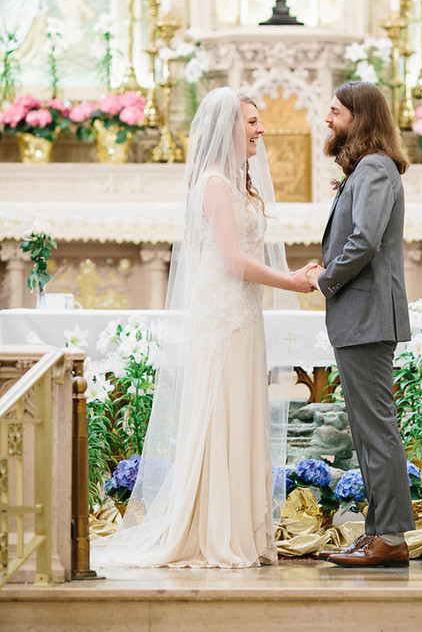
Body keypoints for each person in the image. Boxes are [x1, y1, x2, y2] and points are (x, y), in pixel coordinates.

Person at [95, 87, 315, 569]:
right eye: (251, 122)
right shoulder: (215, 183)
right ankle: (217, 531)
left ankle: (241, 529)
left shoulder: (236, 182)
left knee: (244, 412)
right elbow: (234, 261)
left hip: (243, 316)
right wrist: (291, 282)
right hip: (225, 317)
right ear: (227, 128)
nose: (260, 130)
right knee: (223, 414)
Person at [307, 81, 415, 568]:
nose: (328, 119)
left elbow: (365, 240)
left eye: (335, 111)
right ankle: (378, 531)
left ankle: (390, 536)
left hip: (367, 314)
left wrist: (326, 280)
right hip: (363, 315)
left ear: (360, 116)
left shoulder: (374, 167)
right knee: (366, 427)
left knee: (375, 429)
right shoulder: (368, 169)